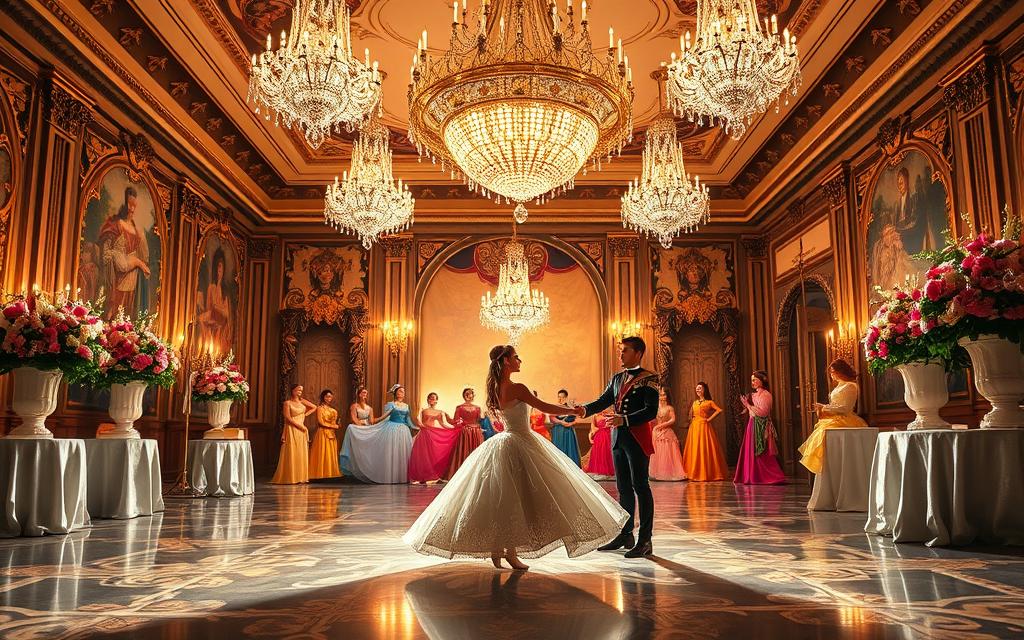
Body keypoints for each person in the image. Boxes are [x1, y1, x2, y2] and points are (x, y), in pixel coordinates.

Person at [404, 345, 628, 571]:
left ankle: (498, 550)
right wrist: (576, 411)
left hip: (503, 441)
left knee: (501, 498)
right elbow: (543, 406)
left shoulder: (494, 388)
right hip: (520, 440)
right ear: (507, 362)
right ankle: (508, 552)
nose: (520, 360)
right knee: (517, 497)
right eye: (516, 357)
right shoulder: (517, 387)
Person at [581, 336, 659, 558]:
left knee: (640, 487)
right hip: (618, 439)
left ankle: (645, 540)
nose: (620, 355)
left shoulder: (650, 379)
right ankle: (626, 535)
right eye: (620, 351)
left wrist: (624, 420)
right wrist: (582, 411)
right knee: (623, 488)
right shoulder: (617, 378)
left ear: (638, 353)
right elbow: (602, 401)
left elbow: (650, 411)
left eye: (624, 351)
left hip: (637, 438)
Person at [798, 359, 869, 474]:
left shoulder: (851, 386)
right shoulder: (839, 385)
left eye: (833, 372)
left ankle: (834, 468)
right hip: (835, 418)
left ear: (841, 371)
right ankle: (828, 469)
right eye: (830, 372)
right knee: (820, 435)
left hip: (845, 419)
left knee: (824, 434)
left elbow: (845, 408)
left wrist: (824, 407)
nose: (832, 375)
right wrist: (823, 408)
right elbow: (835, 405)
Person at [339, 384, 416, 484]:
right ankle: (391, 477)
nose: (402, 393)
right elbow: (385, 417)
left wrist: (415, 427)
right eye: (400, 391)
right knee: (392, 453)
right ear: (396, 393)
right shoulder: (390, 404)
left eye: (403, 391)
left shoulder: (406, 406)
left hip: (403, 430)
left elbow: (408, 419)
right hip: (392, 429)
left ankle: (402, 477)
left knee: (402, 453)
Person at [98, 185, 151, 320]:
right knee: (112, 313)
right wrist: (135, 261)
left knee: (126, 317)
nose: (132, 209)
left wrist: (138, 262)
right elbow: (106, 255)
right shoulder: (115, 225)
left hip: (132, 282)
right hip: (116, 278)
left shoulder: (138, 231)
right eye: (129, 204)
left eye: (135, 205)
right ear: (123, 203)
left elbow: (144, 258)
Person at [734, 371, 786, 485]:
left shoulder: (766, 394)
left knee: (762, 452)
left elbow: (762, 412)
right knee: (751, 450)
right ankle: (752, 475)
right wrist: (746, 406)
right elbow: (752, 410)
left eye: (754, 380)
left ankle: (768, 476)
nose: (752, 382)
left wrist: (748, 405)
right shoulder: (754, 394)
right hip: (752, 424)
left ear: (761, 380)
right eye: (751, 380)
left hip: (760, 426)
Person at [408, 392, 461, 484]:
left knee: (432, 456)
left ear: (436, 400)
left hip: (432, 435)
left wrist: (453, 429)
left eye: (434, 398)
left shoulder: (440, 412)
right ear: (428, 399)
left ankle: (433, 476)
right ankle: (421, 477)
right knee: (423, 456)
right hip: (424, 434)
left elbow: (443, 424)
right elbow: (418, 419)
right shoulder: (423, 409)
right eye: (431, 398)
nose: (432, 400)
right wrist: (421, 426)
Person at [681, 382, 729, 481]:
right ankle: (693, 472)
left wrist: (708, 419)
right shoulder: (694, 402)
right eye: (697, 388)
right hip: (694, 427)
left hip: (704, 427)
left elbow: (719, 410)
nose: (697, 390)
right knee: (694, 448)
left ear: (704, 390)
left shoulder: (709, 402)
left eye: (700, 388)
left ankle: (704, 473)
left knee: (703, 448)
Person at [271, 384, 316, 484]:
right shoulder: (287, 403)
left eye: (301, 390)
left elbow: (314, 407)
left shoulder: (302, 401)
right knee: (292, 452)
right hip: (292, 428)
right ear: (292, 390)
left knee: (301, 452)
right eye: (298, 390)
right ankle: (291, 477)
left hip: (302, 429)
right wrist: (299, 426)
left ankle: (300, 477)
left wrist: (305, 414)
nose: (300, 391)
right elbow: (287, 418)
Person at [197, 247, 232, 354]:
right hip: (213, 316)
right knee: (201, 319)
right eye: (218, 267)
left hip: (222, 320)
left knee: (217, 326)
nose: (219, 270)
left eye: (221, 267)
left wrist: (218, 308)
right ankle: (205, 351)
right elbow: (208, 308)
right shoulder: (211, 287)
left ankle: (214, 353)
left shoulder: (225, 290)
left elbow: (227, 313)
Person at [445, 388, 485, 479]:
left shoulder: (464, 408)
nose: (469, 396)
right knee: (468, 451)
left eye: (470, 394)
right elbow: (479, 420)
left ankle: (473, 474)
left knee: (471, 452)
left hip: (470, 431)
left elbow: (455, 421)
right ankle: (469, 474)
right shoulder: (467, 408)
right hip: (472, 432)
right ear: (465, 396)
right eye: (467, 394)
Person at [649, 388, 686, 481]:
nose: (662, 397)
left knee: (668, 453)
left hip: (666, 432)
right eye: (660, 395)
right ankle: (659, 472)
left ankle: (669, 473)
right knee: (658, 453)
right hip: (657, 432)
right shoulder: (656, 408)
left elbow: (673, 420)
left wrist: (661, 425)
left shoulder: (670, 408)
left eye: (664, 395)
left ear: (667, 396)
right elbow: (651, 418)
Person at [309, 389, 342, 480]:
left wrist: (337, 425)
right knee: (322, 452)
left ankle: (330, 474)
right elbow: (320, 422)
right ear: (323, 397)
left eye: (330, 396)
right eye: (327, 396)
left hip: (331, 433)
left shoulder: (333, 411)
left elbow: (336, 423)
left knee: (330, 452)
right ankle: (320, 474)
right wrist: (333, 426)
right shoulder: (320, 408)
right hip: (322, 432)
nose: (329, 398)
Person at [549, 389, 581, 466]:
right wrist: (561, 422)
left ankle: (571, 467)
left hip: (568, 431)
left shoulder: (571, 407)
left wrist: (571, 423)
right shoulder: (555, 407)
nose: (560, 399)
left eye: (562, 397)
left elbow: (579, 418)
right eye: (558, 397)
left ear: (566, 397)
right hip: (558, 431)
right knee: (558, 448)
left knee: (569, 449)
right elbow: (552, 418)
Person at [584, 407, 616, 481]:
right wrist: (590, 437)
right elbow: (592, 428)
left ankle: (607, 472)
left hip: (608, 436)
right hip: (598, 437)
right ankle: (598, 471)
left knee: (606, 453)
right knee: (598, 453)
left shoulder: (611, 414)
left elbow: (612, 425)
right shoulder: (595, 416)